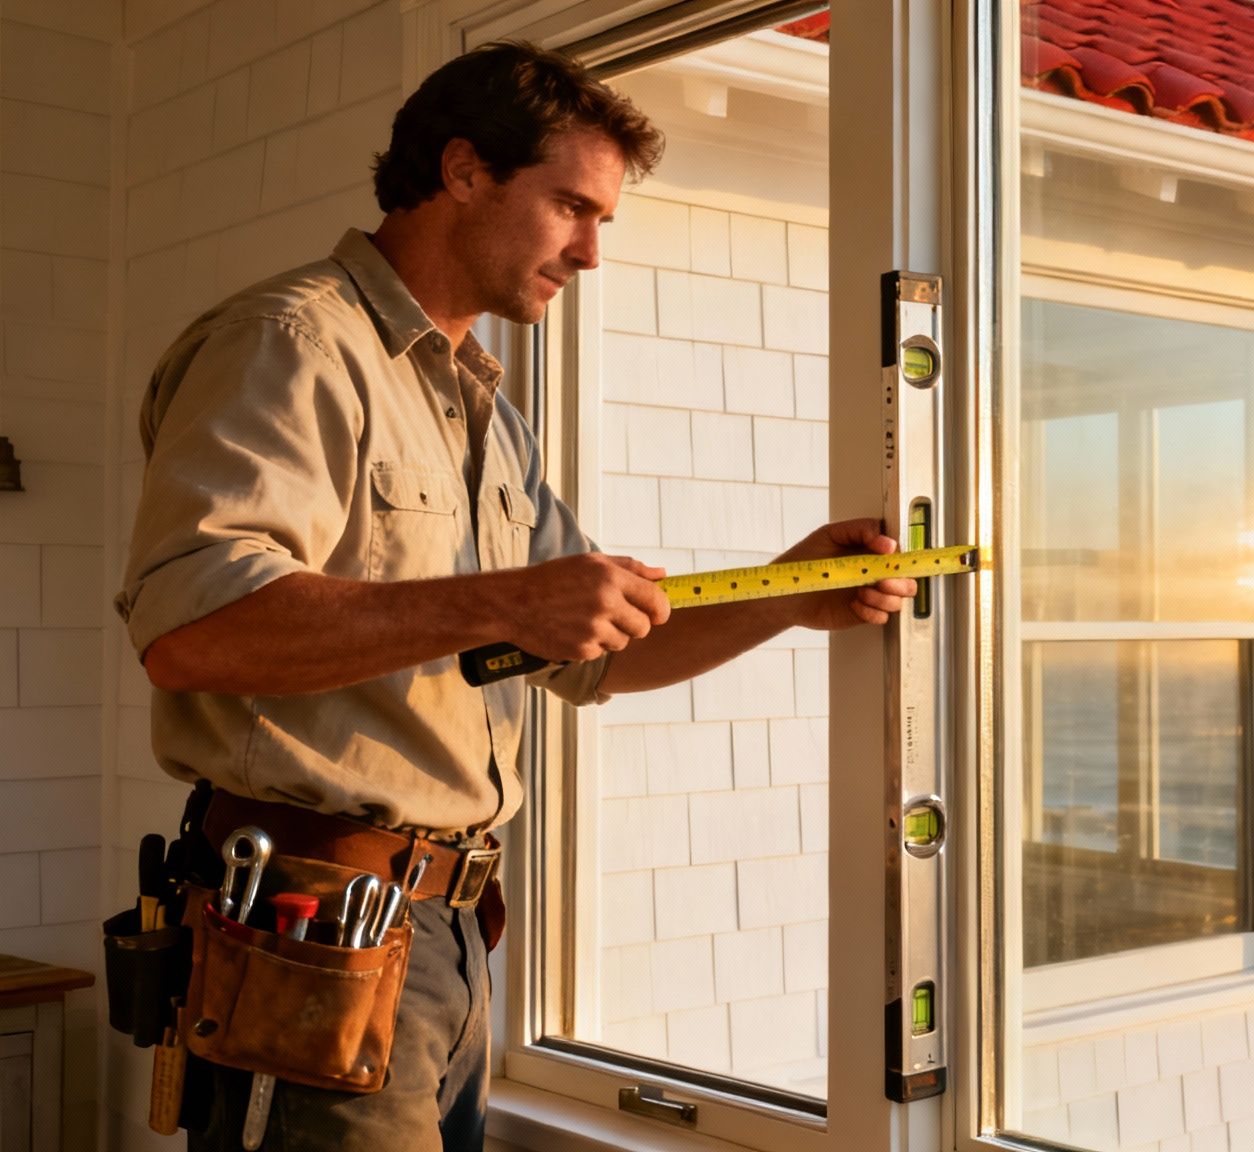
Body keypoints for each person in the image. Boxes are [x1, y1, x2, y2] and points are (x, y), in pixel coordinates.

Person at [114, 40, 913, 1151]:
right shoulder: (289, 345)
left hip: (444, 935)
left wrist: (787, 594)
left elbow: (595, 653)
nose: (590, 252)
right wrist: (500, 603)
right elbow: (191, 630)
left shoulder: (484, 410)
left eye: (603, 221)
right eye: (571, 208)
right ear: (463, 170)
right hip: (307, 924)